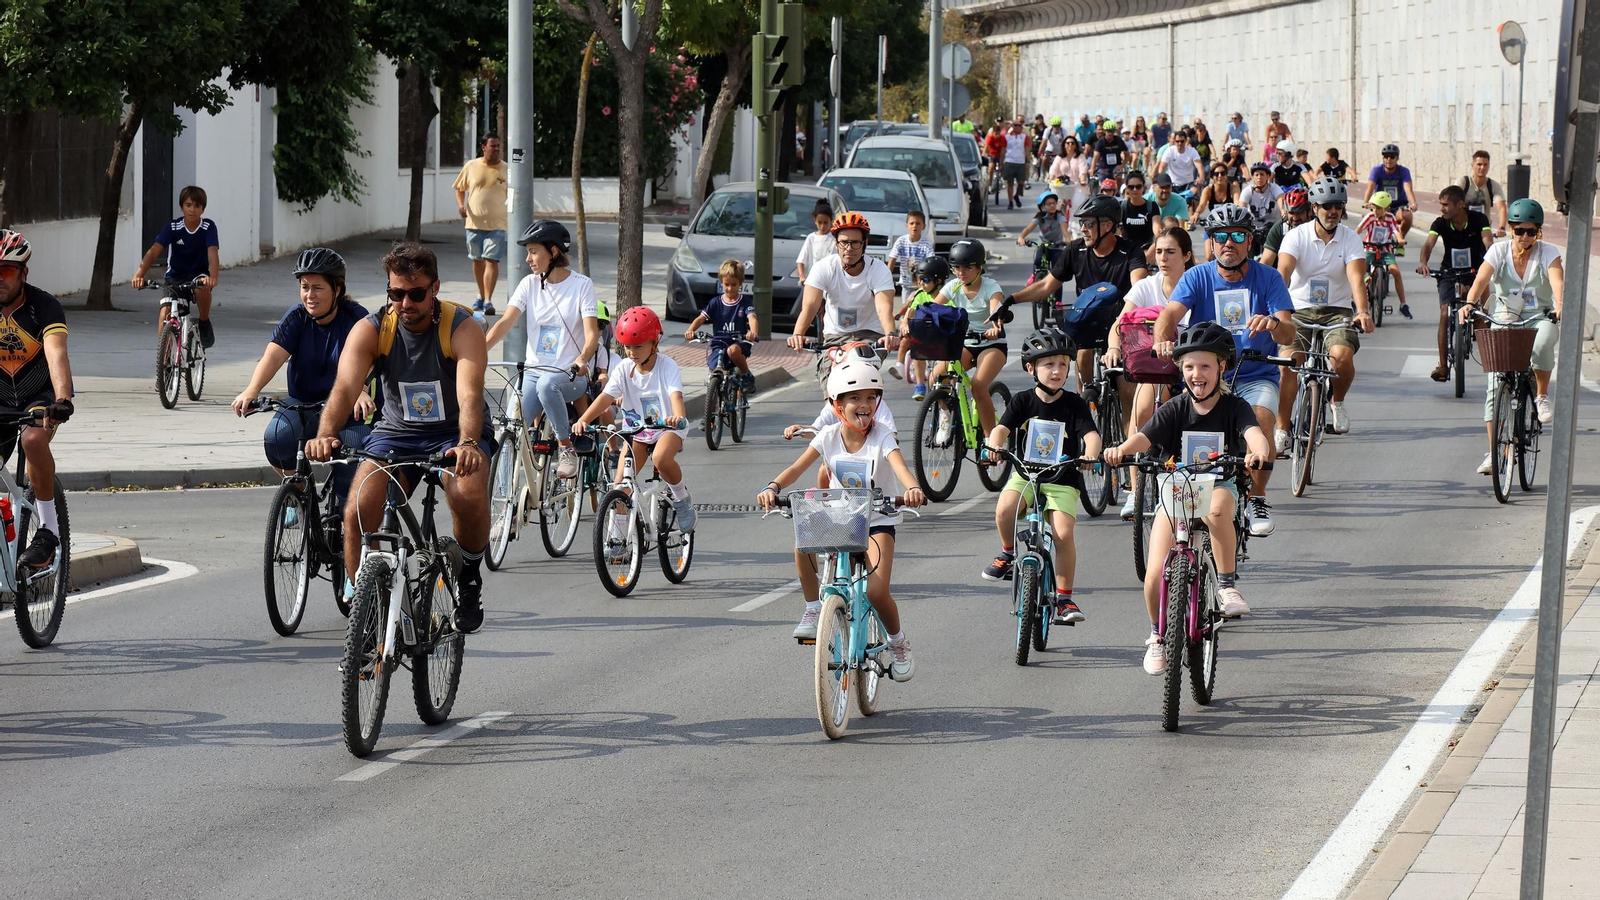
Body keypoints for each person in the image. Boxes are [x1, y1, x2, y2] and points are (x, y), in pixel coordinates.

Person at [305, 242, 494, 633]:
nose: (406, 302)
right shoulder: (373, 329)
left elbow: (470, 395)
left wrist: (469, 444)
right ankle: (365, 607)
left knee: (466, 493)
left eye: (416, 293)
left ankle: (470, 574)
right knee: (357, 510)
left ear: (435, 288)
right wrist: (325, 434)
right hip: (397, 433)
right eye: (396, 293)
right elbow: (344, 388)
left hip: (454, 434)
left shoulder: (462, 328)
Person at [1103, 322, 1274, 673]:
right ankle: (1157, 636)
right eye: (1190, 367)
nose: (1198, 374)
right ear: (1181, 370)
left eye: (1206, 366)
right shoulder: (1175, 407)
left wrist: (1258, 452)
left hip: (1219, 486)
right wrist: (1121, 449)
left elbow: (1254, 434)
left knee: (1215, 509)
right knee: (1153, 577)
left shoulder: (1235, 406)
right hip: (1178, 491)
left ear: (1222, 367)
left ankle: (1227, 586)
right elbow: (1144, 438)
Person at [759, 358, 925, 681]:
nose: (864, 405)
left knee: (877, 593)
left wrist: (914, 487)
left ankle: (898, 641)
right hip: (841, 516)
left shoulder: (882, 437)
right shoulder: (828, 436)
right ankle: (813, 607)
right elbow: (797, 468)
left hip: (879, 518)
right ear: (837, 405)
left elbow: (901, 468)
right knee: (803, 540)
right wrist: (773, 486)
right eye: (855, 399)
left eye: (870, 398)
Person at [1154, 204, 1295, 538]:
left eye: (1237, 236)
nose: (1228, 243)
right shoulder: (1196, 276)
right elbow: (1169, 315)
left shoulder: (1269, 277)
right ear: (1211, 243)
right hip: (1206, 374)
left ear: (1250, 242)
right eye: (1220, 236)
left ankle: (1257, 497)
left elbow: (1289, 332)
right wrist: (1162, 340)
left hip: (1255, 374)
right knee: (1173, 424)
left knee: (1261, 419)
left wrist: (1274, 323)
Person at [231, 248, 373, 541]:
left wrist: (360, 390)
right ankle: (297, 493)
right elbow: (272, 357)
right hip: (303, 405)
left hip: (347, 409)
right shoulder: (296, 318)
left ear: (337, 289)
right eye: (304, 287)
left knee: (353, 448)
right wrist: (251, 390)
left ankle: (346, 530)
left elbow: (368, 358)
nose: (309, 295)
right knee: (277, 436)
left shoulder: (357, 319)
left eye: (318, 287)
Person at [981, 326, 1100, 625]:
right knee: (1005, 509)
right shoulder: (1022, 400)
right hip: (1026, 474)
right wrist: (994, 445)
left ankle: (1064, 598)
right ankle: (1007, 554)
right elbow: (1001, 428)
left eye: (1063, 364)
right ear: (1031, 368)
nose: (1057, 371)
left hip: (1063, 479)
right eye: (1049, 364)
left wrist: (1091, 454)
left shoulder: (1074, 403)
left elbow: (1091, 435)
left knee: (1062, 534)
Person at [484, 220, 601, 479]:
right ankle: (504, 506)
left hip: (570, 375)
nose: (528, 259)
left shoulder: (582, 285)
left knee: (548, 384)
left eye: (534, 251)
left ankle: (565, 446)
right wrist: (479, 353)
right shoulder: (528, 284)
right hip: (534, 373)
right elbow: (505, 323)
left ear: (554, 252)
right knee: (511, 431)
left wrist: (582, 360)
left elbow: (592, 335)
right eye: (527, 252)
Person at [1000, 194, 1149, 388]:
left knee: (1125, 389)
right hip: (1088, 321)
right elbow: (1046, 286)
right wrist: (1011, 300)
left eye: (1088, 223)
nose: (1083, 229)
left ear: (1107, 226)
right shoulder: (1075, 250)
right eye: (1082, 223)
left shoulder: (1130, 252)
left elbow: (1139, 286)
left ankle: (1125, 417)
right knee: (1083, 355)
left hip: (1121, 322)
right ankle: (1085, 400)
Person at [571, 305, 697, 533]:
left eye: (638, 346)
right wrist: (584, 419)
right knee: (621, 485)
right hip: (637, 432)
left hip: (668, 428)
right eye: (627, 347)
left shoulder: (667, 366)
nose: (632, 352)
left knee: (660, 458)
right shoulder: (624, 368)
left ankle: (682, 498)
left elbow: (675, 396)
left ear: (654, 343)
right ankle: (617, 538)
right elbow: (605, 398)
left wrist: (678, 417)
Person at [1464, 199, 1564, 474]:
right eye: (1519, 230)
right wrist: (1470, 304)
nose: (1525, 237)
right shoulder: (1498, 251)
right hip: (1505, 317)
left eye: (1532, 231)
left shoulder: (1548, 253)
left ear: (1539, 232)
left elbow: (1557, 282)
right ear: (1511, 229)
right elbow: (1480, 282)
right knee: (1494, 386)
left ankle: (1541, 394)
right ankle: (1497, 453)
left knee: (1543, 341)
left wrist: (1559, 305)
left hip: (1540, 316)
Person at [1274, 177, 1373, 448]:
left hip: (1337, 310)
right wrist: (1275, 311)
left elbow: (1355, 279)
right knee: (1289, 364)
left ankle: (1336, 401)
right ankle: (1282, 428)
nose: (1333, 211)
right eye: (1327, 206)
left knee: (1342, 357)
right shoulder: (1296, 236)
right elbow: (1283, 274)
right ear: (1314, 207)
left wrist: (1362, 310)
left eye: (1338, 206)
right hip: (1299, 310)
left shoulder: (1350, 238)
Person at [1104, 226, 1194, 515]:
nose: (1163, 258)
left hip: (1190, 368)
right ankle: (1135, 491)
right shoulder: (1146, 286)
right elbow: (1119, 325)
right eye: (1158, 252)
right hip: (1155, 369)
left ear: (1187, 255)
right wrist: (1114, 348)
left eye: (1171, 252)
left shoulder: (1197, 283)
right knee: (1141, 412)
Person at [0, 230, 74, 569]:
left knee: (32, 440)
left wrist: (62, 398)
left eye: (6, 271)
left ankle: (47, 532)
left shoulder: (44, 306)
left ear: (23, 273)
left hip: (39, 397)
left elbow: (56, 353)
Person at [788, 212, 897, 360]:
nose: (849, 248)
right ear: (836, 244)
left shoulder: (879, 270)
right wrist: (798, 334)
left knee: (861, 365)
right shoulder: (823, 267)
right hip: (835, 336)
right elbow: (810, 307)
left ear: (865, 243)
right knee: (831, 377)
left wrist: (890, 334)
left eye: (855, 243)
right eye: (844, 242)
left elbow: (884, 309)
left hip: (870, 335)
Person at [1415, 184, 1494, 382]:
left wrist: (1493, 262)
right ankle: (1442, 366)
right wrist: (1423, 262)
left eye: (1445, 205)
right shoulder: (1440, 223)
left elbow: (1488, 243)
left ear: (1460, 205)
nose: (1441, 209)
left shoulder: (1479, 220)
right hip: (1448, 272)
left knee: (1477, 314)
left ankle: (1493, 365)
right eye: (1440, 204)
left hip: (1475, 270)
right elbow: (1428, 244)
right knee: (1444, 313)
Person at [131, 184, 219, 348]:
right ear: (181, 207)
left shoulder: (208, 227)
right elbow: (154, 251)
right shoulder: (173, 227)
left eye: (197, 206)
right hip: (175, 276)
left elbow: (212, 252)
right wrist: (139, 275)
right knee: (164, 312)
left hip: (198, 274)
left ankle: (204, 321)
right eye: (188, 205)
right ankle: (164, 355)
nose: (192, 210)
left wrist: (213, 277)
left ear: (203, 209)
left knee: (202, 289)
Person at [938, 239, 1007, 438]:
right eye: (956, 268)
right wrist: (913, 322)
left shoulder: (990, 286)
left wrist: (996, 321)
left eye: (967, 267)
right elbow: (934, 308)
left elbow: (996, 305)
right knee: (938, 375)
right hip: (965, 343)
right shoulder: (953, 286)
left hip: (992, 344)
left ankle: (990, 440)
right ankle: (945, 418)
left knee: (978, 385)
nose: (961, 273)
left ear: (979, 267)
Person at [452, 134, 508, 317]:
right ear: (483, 147)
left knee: (492, 260)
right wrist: (461, 206)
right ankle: (481, 294)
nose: (496, 149)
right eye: (493, 146)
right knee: (477, 260)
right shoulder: (471, 166)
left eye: (498, 146)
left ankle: (488, 300)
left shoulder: (507, 169)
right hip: (474, 224)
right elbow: (459, 188)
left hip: (498, 224)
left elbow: (514, 194)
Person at [683, 259, 759, 389]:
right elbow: (701, 318)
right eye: (726, 284)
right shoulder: (715, 302)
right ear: (721, 282)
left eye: (734, 284)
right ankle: (712, 402)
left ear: (740, 283)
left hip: (739, 342)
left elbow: (752, 318)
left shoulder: (745, 302)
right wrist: (690, 330)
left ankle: (746, 374)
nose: (729, 288)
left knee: (732, 351)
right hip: (719, 342)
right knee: (712, 367)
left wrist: (752, 332)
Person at [892, 256, 952, 400]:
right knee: (918, 351)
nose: (921, 284)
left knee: (948, 369)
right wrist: (905, 324)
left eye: (925, 280)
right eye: (920, 280)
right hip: (927, 335)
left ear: (938, 281)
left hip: (944, 337)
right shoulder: (920, 294)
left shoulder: (949, 295)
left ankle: (948, 394)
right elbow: (910, 312)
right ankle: (920, 384)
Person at [1354, 191, 1410, 319]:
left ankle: (1403, 305)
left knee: (1396, 272)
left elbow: (1397, 231)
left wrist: (1400, 240)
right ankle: (1354, 300)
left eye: (1379, 208)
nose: (1375, 211)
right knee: (1360, 271)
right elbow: (1359, 229)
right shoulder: (1370, 217)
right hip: (1370, 248)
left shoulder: (1390, 218)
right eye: (1374, 207)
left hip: (1386, 250)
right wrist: (1353, 238)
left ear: (1387, 208)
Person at [1363, 144, 1418, 248]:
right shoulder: (1377, 170)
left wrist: (1413, 203)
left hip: (1398, 206)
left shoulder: (1403, 171)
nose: (1389, 159)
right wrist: (1366, 201)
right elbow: (1370, 186)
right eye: (1386, 156)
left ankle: (1400, 240)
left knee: (1408, 216)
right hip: (1381, 206)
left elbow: (1408, 189)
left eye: (1392, 157)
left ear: (1397, 158)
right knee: (1371, 223)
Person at [887, 210, 934, 309]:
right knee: (906, 307)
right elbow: (892, 259)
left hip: (920, 284)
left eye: (918, 223)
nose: (914, 226)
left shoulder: (926, 244)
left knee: (917, 307)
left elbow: (931, 263)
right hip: (905, 282)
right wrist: (886, 278)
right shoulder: (901, 241)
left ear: (923, 226)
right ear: (907, 226)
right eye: (911, 223)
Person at [1461, 150, 1510, 238]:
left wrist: (1502, 227)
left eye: (1485, 164)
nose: (1482, 167)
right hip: (1463, 229)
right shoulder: (1463, 182)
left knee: (1488, 248)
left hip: (1483, 230)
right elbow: (1452, 201)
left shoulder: (1493, 185)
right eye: (1479, 164)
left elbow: (1502, 207)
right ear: (1472, 165)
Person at [1259, 186, 1312, 268]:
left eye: (1299, 212)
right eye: (1291, 212)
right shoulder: (1280, 228)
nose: (1295, 218)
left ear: (1309, 212)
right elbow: (1266, 262)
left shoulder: (1317, 227)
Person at [794, 200, 836, 283]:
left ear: (831, 221)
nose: (822, 226)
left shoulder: (835, 239)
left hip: (831, 281)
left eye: (825, 222)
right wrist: (802, 276)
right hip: (814, 280)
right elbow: (801, 261)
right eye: (820, 222)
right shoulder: (811, 238)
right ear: (815, 220)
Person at [1119, 173, 1158, 259]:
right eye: (1131, 187)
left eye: (1138, 186)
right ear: (1127, 188)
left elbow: (1157, 230)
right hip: (1126, 251)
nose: (1135, 189)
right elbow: (1117, 232)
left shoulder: (1152, 206)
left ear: (1144, 187)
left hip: (1147, 249)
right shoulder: (1122, 206)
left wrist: (1149, 254)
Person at [1155, 130, 1202, 195]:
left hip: (1188, 183)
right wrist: (1160, 180)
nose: (1179, 143)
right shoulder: (1169, 151)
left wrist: (1201, 177)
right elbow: (1162, 167)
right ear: (1174, 141)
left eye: (1182, 141)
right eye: (1177, 141)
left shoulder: (1192, 151)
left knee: (1195, 192)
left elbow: (1199, 165)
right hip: (1173, 184)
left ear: (1186, 141)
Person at [1002, 119, 1032, 209]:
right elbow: (1003, 150)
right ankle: (1010, 201)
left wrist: (1027, 162)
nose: (1017, 127)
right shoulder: (1007, 137)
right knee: (1010, 182)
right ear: (1012, 126)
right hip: (1009, 161)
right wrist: (1001, 163)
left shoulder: (1024, 137)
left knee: (1021, 183)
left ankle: (1016, 195)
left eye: (1019, 125)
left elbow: (1027, 150)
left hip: (1020, 162)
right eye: (1015, 125)